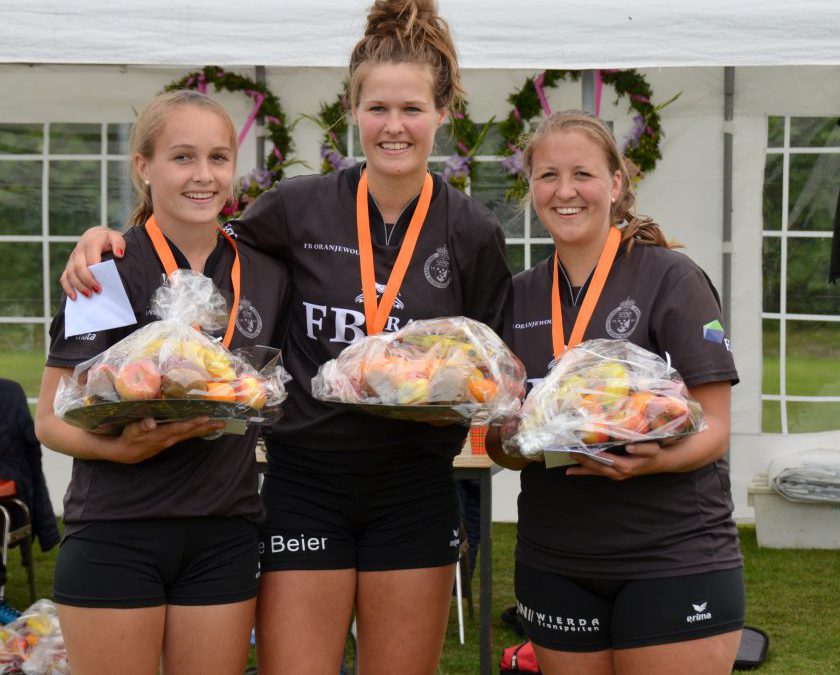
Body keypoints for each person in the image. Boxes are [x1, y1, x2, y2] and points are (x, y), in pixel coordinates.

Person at [57, 2, 512, 674]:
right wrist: (107, 238)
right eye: (377, 108)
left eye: (412, 109)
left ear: (442, 113)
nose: (394, 125)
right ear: (352, 110)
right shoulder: (298, 206)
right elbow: (200, 236)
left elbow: (491, 364)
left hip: (415, 486)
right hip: (306, 484)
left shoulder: (472, 231)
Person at [36, 90, 290, 675]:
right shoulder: (105, 271)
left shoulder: (265, 270)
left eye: (218, 158)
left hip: (224, 533)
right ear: (144, 167)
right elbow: (49, 420)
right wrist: (120, 450)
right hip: (117, 531)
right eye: (182, 157)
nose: (203, 175)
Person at [485, 110, 744, 675]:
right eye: (548, 176)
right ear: (531, 187)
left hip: (671, 554)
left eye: (582, 173)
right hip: (554, 561)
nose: (565, 191)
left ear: (616, 182)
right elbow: (501, 441)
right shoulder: (518, 296)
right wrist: (512, 437)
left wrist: (652, 462)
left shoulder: (672, 279)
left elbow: (717, 426)